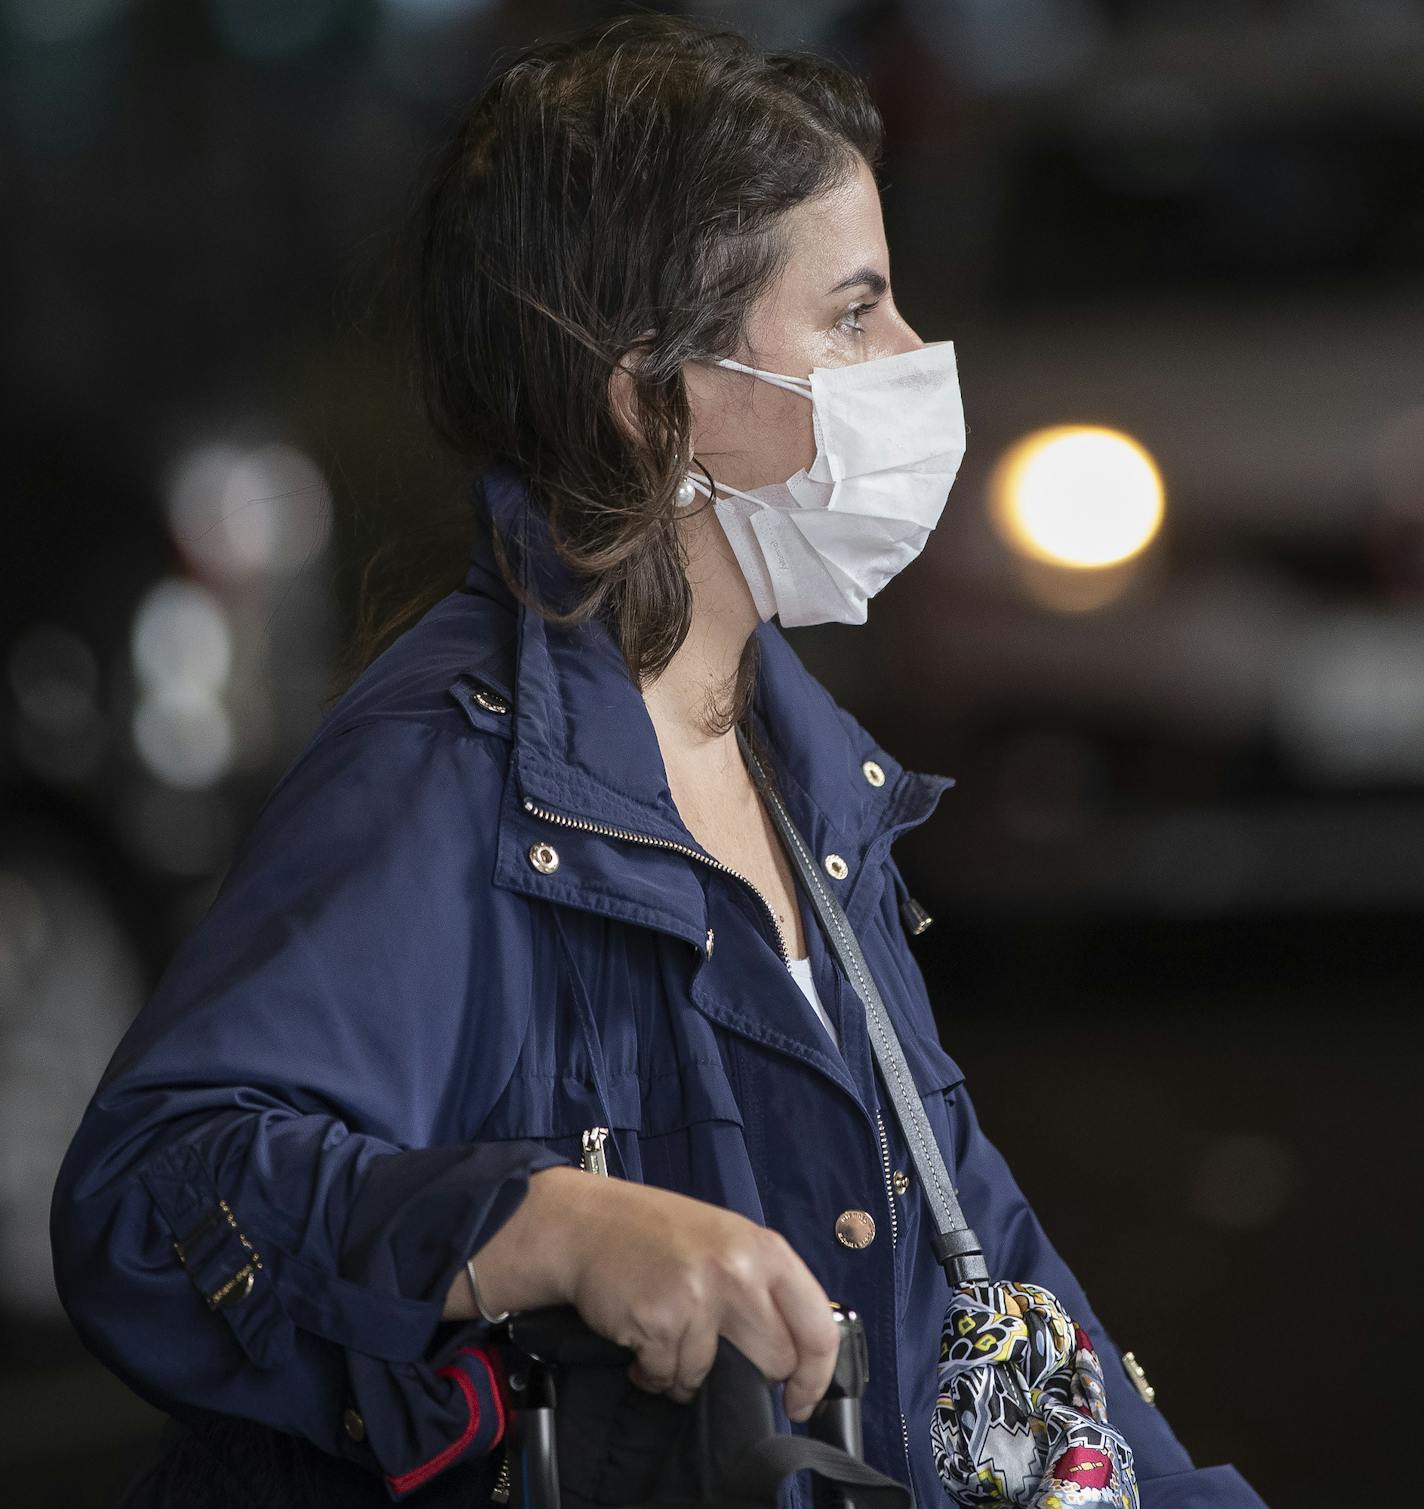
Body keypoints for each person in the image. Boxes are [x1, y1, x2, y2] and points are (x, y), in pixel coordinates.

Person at [51, 14, 1267, 1509]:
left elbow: (980, 1287)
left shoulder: (805, 776)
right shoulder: (449, 774)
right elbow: (154, 1194)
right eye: (855, 311)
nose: (912, 360)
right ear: (656, 397)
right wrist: (544, 1224)